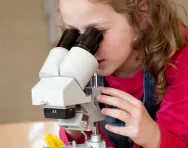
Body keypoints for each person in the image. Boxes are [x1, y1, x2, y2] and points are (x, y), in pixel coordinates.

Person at [58, 0, 188, 147]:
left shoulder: (181, 59)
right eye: (73, 32)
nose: (86, 49)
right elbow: (78, 138)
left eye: (97, 32)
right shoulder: (85, 61)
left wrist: (153, 136)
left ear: (141, 16)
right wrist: (72, 127)